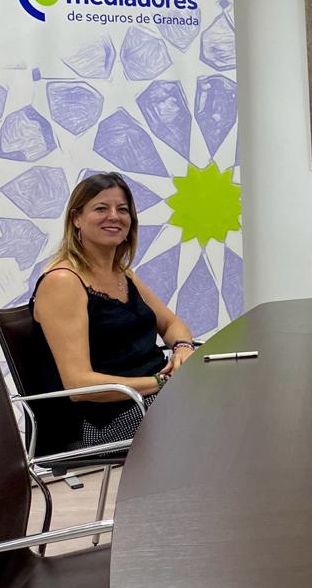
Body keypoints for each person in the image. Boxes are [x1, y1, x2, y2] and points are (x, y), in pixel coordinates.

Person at [30, 172, 197, 447]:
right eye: (101, 208)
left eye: (122, 209)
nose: (114, 216)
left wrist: (182, 348)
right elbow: (79, 385)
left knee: (239, 397)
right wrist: (161, 382)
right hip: (103, 421)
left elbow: (171, 324)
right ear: (76, 219)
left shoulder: (122, 274)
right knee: (227, 414)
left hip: (153, 399)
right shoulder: (63, 282)